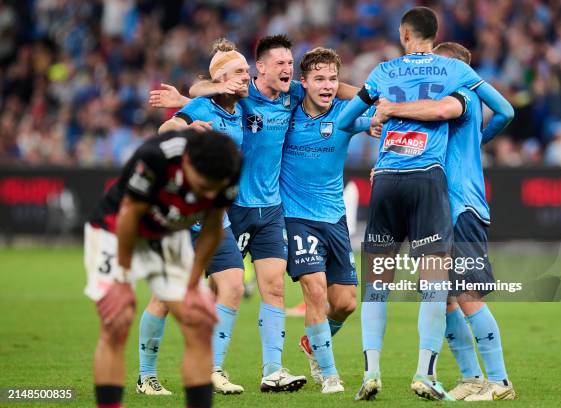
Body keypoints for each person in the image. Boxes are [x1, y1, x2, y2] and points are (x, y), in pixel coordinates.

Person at [337, 6, 512, 401]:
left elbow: (489, 110)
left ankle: (499, 380)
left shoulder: (461, 98)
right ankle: (471, 376)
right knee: (445, 296)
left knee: (465, 295)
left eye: (439, 70)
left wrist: (479, 140)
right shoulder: (435, 88)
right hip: (436, 199)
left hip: (460, 201)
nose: (428, 77)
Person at [189, 34, 358, 391]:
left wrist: (364, 96)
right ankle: (207, 365)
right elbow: (197, 89)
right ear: (259, 68)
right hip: (233, 207)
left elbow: (325, 86)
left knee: (274, 290)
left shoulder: (293, 94)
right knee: (224, 288)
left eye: (290, 63)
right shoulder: (240, 93)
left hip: (272, 209)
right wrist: (191, 96)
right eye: (279, 63)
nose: (287, 69)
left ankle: (272, 371)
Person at [84, 128, 242, 408]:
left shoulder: (230, 166)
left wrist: (192, 284)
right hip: (116, 227)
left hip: (168, 233)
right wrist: (121, 279)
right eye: (202, 186)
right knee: (116, 321)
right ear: (188, 163)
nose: (205, 195)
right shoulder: (155, 157)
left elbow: (213, 226)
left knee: (197, 321)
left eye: (211, 190)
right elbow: (129, 214)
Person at [136, 39, 249, 396]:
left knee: (232, 286)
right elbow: (165, 130)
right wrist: (186, 127)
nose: (248, 76)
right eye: (240, 72)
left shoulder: (241, 110)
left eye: (248, 70)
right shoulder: (203, 106)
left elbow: (198, 90)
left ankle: (212, 369)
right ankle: (145, 377)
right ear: (223, 79)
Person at [280, 47, 377, 394]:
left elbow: (376, 115)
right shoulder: (286, 109)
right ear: (302, 82)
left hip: (334, 219)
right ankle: (330, 375)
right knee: (316, 291)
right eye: (319, 78)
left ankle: (311, 344)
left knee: (346, 303)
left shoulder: (346, 114)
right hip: (296, 217)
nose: (327, 85)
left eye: (333, 78)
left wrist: (380, 122)